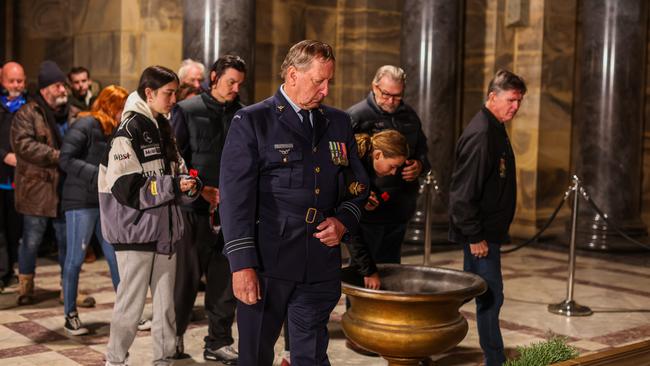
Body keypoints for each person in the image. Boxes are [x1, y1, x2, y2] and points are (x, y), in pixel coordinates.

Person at [219, 40, 369, 365]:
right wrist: (242, 265)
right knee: (256, 355)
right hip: (267, 264)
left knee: (310, 357)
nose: (326, 90)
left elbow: (358, 186)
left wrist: (344, 220)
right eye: (319, 81)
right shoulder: (253, 121)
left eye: (330, 81)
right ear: (292, 75)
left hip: (318, 262)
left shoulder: (339, 123)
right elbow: (235, 200)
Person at [280, 129, 408, 364]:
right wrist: (368, 269)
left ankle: (301, 354)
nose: (394, 172)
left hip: (320, 234)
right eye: (393, 165)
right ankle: (291, 354)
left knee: (313, 307)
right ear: (377, 154)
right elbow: (352, 230)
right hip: (309, 233)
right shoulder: (354, 169)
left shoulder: (361, 167)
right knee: (304, 301)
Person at [100, 66, 200, 366]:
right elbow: (125, 187)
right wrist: (173, 184)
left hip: (164, 229)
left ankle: (165, 357)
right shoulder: (128, 129)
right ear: (149, 93)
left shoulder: (162, 126)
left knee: (165, 305)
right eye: (169, 93)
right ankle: (115, 360)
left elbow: (175, 172)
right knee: (130, 307)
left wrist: (190, 186)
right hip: (135, 230)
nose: (174, 99)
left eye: (175, 93)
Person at [170, 54, 246, 363]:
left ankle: (218, 341)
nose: (235, 89)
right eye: (230, 82)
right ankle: (172, 339)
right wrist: (201, 191)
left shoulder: (244, 114)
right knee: (184, 281)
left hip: (232, 215)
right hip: (193, 211)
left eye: (240, 84)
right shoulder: (187, 111)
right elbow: (174, 162)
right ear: (213, 77)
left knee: (225, 282)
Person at [448, 69, 526, 366]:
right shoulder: (482, 133)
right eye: (511, 100)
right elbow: (462, 192)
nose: (515, 107)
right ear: (492, 97)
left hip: (487, 232)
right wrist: (474, 235)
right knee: (491, 296)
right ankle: (495, 361)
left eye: (519, 101)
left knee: (483, 293)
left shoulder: (495, 126)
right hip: (480, 235)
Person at [58, 85, 128, 335]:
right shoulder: (85, 124)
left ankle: (127, 313)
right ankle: (70, 314)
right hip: (80, 201)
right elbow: (65, 159)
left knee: (116, 258)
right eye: (121, 108)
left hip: (105, 201)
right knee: (75, 259)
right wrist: (99, 175)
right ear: (110, 106)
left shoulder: (117, 129)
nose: (124, 113)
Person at [347, 65, 430, 267]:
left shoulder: (409, 116)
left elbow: (424, 153)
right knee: (364, 273)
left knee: (391, 273)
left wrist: (419, 166)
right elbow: (341, 165)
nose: (391, 101)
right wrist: (359, 193)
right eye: (386, 94)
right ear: (374, 87)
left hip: (399, 209)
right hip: (368, 212)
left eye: (397, 96)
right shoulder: (355, 116)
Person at [10, 60, 70, 305]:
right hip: (37, 188)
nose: (63, 90)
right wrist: (59, 156)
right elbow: (23, 146)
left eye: (63, 85)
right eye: (58, 86)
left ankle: (68, 287)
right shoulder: (27, 113)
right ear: (46, 89)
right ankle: (26, 287)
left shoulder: (71, 113)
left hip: (66, 188)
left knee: (67, 240)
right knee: (32, 240)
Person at [0, 61, 26, 290]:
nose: (16, 85)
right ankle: (2, 272)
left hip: (20, 180)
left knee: (14, 229)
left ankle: (12, 269)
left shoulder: (29, 107)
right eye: (12, 81)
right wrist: (3, 155)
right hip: (1, 173)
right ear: (2, 80)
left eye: (20, 81)